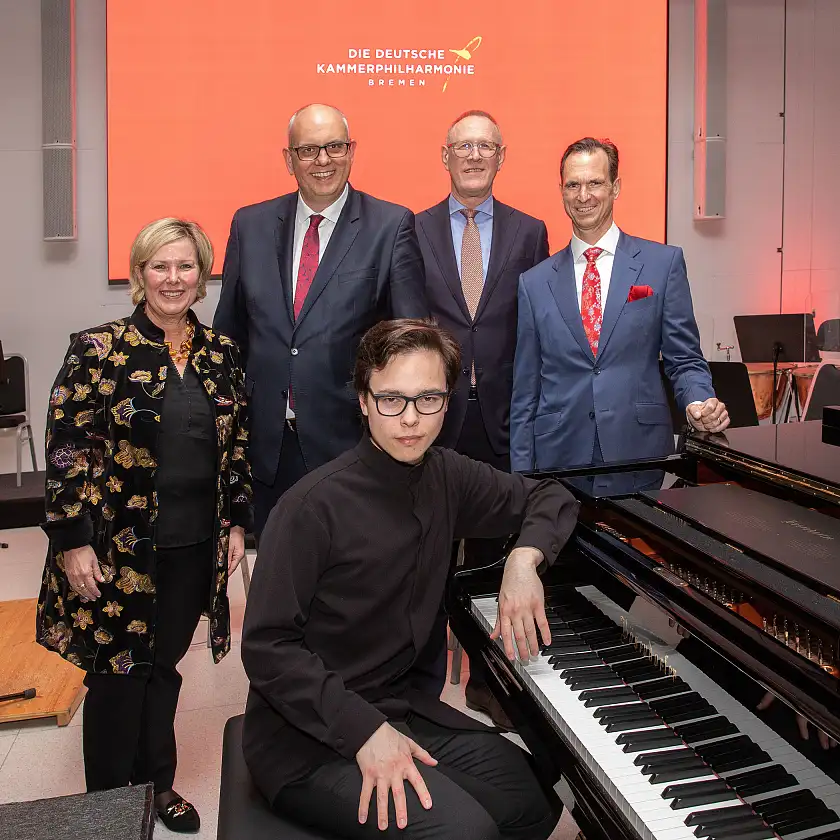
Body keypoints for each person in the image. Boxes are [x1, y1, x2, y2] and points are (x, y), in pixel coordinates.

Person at [241, 319, 579, 840]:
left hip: (402, 708)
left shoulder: (446, 474)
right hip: (306, 736)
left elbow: (549, 496)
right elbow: (267, 648)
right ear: (363, 401)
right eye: (391, 400)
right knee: (467, 831)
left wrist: (523, 559)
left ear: (447, 402)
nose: (410, 420)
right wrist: (363, 732)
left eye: (427, 399)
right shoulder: (310, 506)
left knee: (533, 794)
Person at [37, 218, 252, 833]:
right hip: (115, 546)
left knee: (163, 668)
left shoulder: (222, 355)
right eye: (160, 265)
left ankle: (156, 785)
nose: (173, 278)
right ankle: (108, 805)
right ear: (139, 274)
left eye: (186, 266)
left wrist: (236, 526)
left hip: (193, 543)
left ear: (202, 275)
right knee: (115, 674)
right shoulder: (98, 348)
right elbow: (66, 450)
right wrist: (73, 541)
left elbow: (237, 449)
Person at [214, 103, 429, 537]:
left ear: (352, 151)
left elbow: (411, 346)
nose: (323, 160)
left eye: (334, 146)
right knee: (277, 581)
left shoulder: (391, 225)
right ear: (288, 159)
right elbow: (229, 336)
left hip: (349, 443)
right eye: (309, 150)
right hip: (267, 447)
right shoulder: (249, 224)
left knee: (348, 580)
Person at [417, 110, 549, 725]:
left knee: (497, 551)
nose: (473, 155)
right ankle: (419, 671)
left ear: (502, 157)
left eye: (485, 146)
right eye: (462, 146)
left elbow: (538, 326)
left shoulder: (531, 231)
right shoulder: (413, 230)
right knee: (427, 547)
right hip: (436, 414)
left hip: (503, 414)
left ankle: (492, 678)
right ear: (443, 156)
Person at [511, 137, 729, 493]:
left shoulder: (662, 265)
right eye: (573, 185)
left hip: (639, 453)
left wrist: (698, 401)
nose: (584, 196)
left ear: (615, 187)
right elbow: (525, 390)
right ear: (562, 191)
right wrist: (520, 479)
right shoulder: (534, 283)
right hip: (559, 460)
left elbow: (684, 359)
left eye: (595, 182)